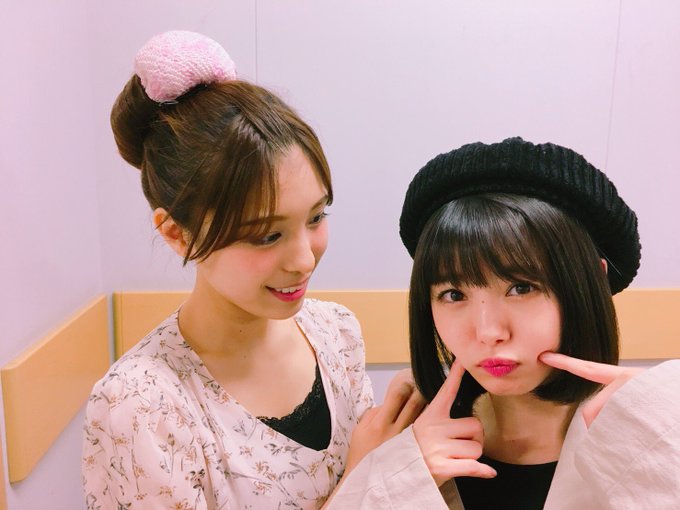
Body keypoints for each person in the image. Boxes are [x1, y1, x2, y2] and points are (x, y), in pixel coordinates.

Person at [81, 30, 424, 510]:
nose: (304, 259)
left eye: (316, 217)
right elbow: (364, 488)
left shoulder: (336, 333)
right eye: (266, 235)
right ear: (177, 233)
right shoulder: (141, 405)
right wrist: (363, 480)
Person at [377, 136, 679, 509]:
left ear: (593, 283)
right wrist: (395, 481)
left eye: (521, 288)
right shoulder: (405, 431)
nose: (488, 332)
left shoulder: (656, 430)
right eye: (453, 294)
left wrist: (666, 429)